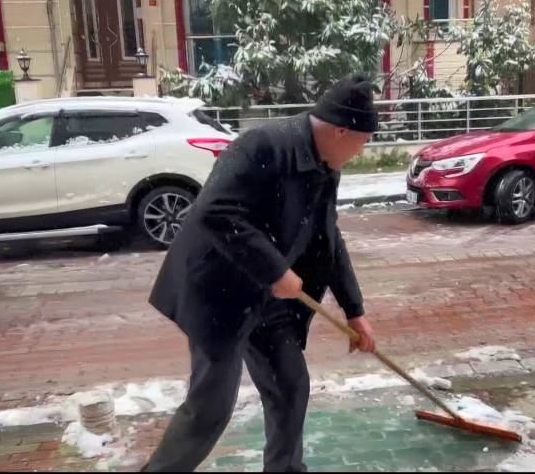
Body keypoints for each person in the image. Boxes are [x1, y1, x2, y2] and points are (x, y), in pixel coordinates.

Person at [144, 74, 380, 472]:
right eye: (362, 141)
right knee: (211, 406)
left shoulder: (325, 167)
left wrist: (354, 310)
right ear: (341, 131)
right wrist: (274, 269)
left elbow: (328, 238)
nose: (361, 150)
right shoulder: (262, 145)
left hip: (266, 296)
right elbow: (214, 211)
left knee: (290, 385)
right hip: (216, 291)